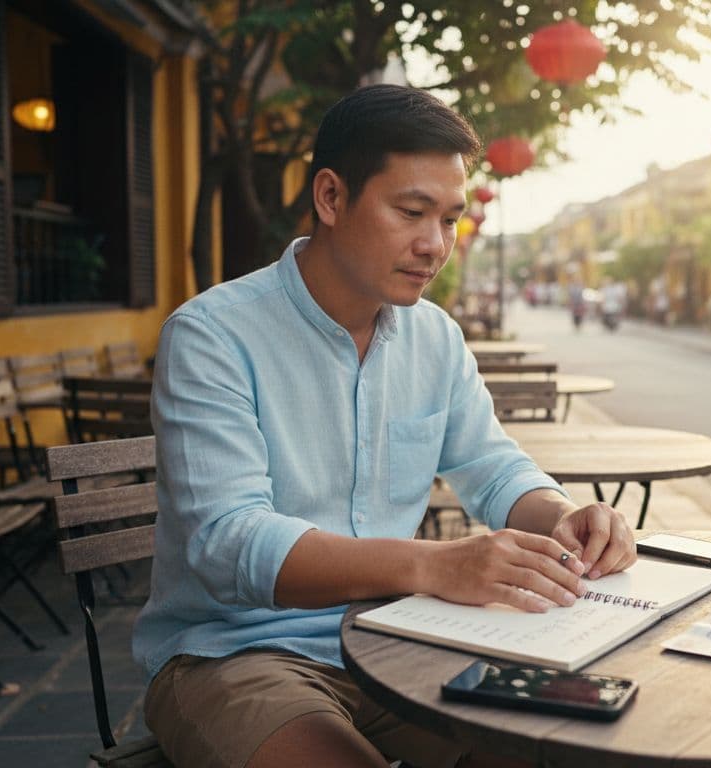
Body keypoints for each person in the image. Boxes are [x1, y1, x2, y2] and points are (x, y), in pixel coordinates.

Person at [136, 85, 636, 768]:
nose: (434, 245)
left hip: (397, 638)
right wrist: (435, 565)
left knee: (575, 741)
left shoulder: (434, 337)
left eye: (451, 218)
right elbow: (230, 543)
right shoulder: (213, 335)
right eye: (411, 211)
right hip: (236, 653)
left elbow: (492, 467)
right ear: (332, 198)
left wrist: (561, 519)